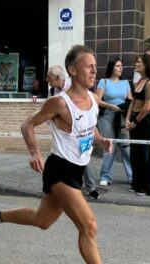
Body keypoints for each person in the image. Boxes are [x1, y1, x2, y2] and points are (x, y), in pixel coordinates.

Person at [0, 45, 112, 264]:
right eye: (89, 66)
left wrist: (100, 139)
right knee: (89, 226)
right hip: (60, 170)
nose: (95, 71)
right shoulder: (59, 103)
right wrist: (34, 152)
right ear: (73, 70)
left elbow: (89, 126)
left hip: (77, 169)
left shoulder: (93, 100)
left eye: (95, 67)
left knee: (42, 220)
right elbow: (27, 125)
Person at [47, 65, 100, 199]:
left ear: (57, 77)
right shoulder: (52, 91)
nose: (47, 79)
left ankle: (91, 187)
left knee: (84, 157)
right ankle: (74, 186)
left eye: (49, 77)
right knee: (69, 158)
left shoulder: (73, 86)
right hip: (66, 132)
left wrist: (111, 107)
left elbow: (91, 99)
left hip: (81, 130)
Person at [126, 54, 150, 196]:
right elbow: (133, 102)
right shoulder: (140, 81)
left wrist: (135, 122)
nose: (136, 63)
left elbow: (147, 107)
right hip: (135, 120)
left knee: (147, 154)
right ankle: (137, 184)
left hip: (145, 122)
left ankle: (148, 187)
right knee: (136, 154)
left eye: (139, 62)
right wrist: (128, 119)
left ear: (146, 65)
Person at [96, 58, 133, 187]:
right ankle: (106, 176)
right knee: (109, 146)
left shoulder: (125, 83)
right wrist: (112, 107)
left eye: (121, 66)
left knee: (126, 147)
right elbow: (97, 100)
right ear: (112, 68)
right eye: (118, 66)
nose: (121, 68)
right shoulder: (104, 82)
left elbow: (131, 101)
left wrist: (128, 116)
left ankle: (131, 176)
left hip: (122, 117)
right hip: (107, 116)